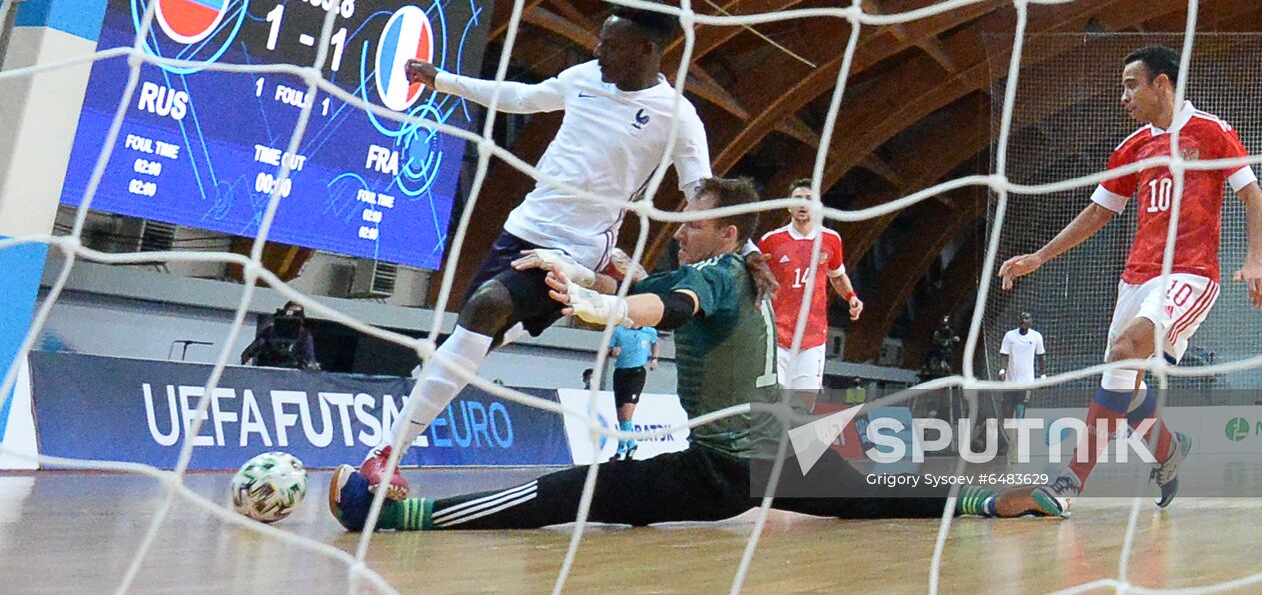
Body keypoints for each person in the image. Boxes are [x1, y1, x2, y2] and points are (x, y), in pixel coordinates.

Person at [329, 177, 1051, 532]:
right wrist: (578, 273)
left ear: (728, 233)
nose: (679, 229)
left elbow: (662, 307)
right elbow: (640, 285)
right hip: (781, 442)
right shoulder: (732, 270)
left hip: (725, 466)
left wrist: (603, 309)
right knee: (871, 492)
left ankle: (399, 519)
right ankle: (995, 500)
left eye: (693, 222)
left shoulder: (719, 275)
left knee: (579, 491)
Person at [359, 4, 712, 499]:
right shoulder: (584, 78)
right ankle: (509, 335)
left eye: (611, 45)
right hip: (520, 231)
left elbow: (701, 190)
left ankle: (385, 454)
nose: (598, 51)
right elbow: (521, 97)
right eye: (601, 41)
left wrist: (734, 244)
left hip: (576, 252)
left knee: (486, 307)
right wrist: (442, 81)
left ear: (646, 51)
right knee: (472, 340)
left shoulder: (677, 116)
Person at [996, 45, 1262, 514]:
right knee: (1125, 380)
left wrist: (1255, 260)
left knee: (1124, 353)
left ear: (1161, 84)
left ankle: (1066, 487)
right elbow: (1098, 212)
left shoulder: (1212, 131)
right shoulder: (1133, 147)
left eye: (1130, 86)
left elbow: (1253, 198)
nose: (1123, 97)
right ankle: (1168, 450)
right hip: (1136, 279)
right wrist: (1039, 257)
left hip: (1191, 274)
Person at [758, 179, 862, 408]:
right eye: (797, 198)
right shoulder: (771, 241)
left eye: (809, 199)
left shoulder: (831, 240)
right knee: (773, 405)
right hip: (777, 336)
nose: (803, 204)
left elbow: (837, 276)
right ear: (788, 205)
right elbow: (754, 277)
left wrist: (851, 297)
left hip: (813, 338)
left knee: (803, 408)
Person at [608, 323, 660, 460]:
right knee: (621, 416)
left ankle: (620, 450)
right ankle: (631, 444)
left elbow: (655, 343)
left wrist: (655, 358)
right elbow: (608, 349)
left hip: (636, 373)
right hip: (620, 372)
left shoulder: (649, 331)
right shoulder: (619, 331)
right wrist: (613, 351)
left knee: (627, 412)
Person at [997, 312, 1046, 454]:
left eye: (1027, 318)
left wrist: (1043, 374)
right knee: (1007, 414)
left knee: (1020, 414)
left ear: (1031, 321)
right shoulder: (1009, 336)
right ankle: (1011, 441)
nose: (1024, 320)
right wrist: (1002, 370)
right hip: (1010, 382)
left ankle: (1016, 448)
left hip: (1026, 383)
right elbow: (1004, 355)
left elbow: (1041, 357)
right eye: (1022, 318)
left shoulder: (1036, 337)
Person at [240, 301, 319, 371]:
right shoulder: (269, 331)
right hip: (268, 371)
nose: (291, 319)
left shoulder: (304, 334)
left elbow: (309, 357)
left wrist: (312, 366)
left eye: (296, 315)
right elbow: (250, 351)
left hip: (292, 373)